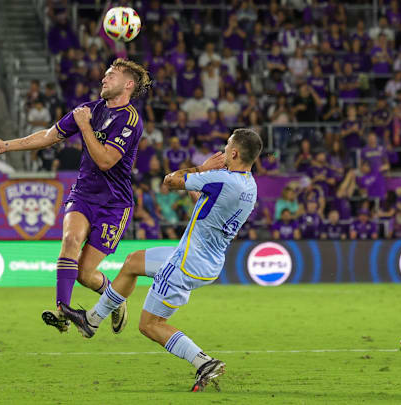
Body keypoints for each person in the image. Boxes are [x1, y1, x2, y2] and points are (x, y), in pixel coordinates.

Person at [60, 128, 262, 392]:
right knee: (133, 262)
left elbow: (169, 180)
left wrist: (201, 168)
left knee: (150, 325)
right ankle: (92, 320)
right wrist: (201, 177)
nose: (222, 150)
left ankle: (204, 362)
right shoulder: (249, 186)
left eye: (226, 146)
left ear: (234, 153)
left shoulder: (223, 179)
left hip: (188, 261)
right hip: (203, 258)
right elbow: (202, 200)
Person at [0, 59, 152, 333]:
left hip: (114, 204)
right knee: (70, 239)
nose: (104, 79)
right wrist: (8, 145)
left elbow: (106, 161)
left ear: (128, 84)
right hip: (84, 195)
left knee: (85, 274)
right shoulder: (87, 110)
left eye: (111, 75)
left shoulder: (130, 120)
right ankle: (62, 309)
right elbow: (49, 136)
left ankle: (115, 300)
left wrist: (85, 127)